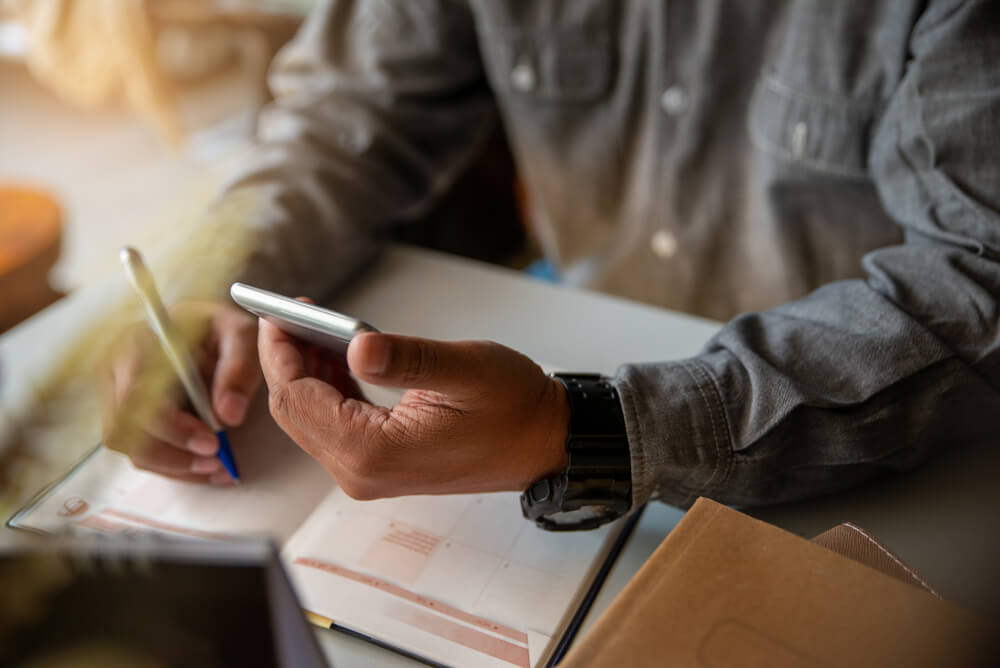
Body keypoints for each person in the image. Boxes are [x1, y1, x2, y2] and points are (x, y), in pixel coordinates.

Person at [103, 1, 1000, 524]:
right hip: (557, 381)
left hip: (891, 481)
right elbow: (347, 116)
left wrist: (588, 433)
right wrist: (207, 280)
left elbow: (979, 277)